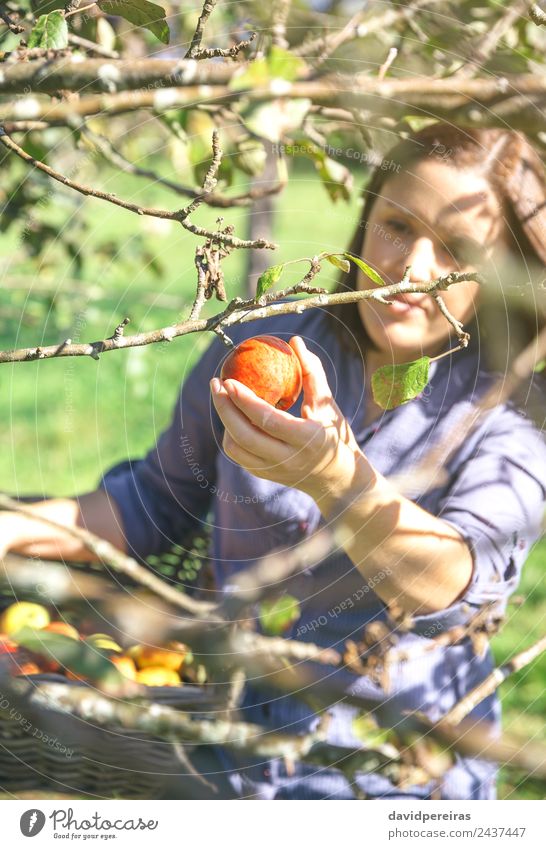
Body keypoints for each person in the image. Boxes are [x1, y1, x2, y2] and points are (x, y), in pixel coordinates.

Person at [1, 123, 546, 800]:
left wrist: (337, 480)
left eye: (457, 249)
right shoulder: (273, 341)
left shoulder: (512, 416)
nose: (413, 268)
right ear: (365, 219)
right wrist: (14, 527)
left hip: (392, 781)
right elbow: (154, 501)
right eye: (397, 225)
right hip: (230, 751)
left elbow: (450, 577)